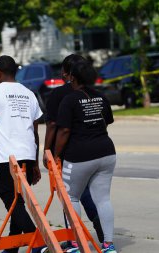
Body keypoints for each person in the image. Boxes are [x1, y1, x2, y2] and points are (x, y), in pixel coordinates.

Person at [0, 55, 42, 253]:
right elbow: (35, 132)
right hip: (28, 156)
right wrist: (35, 163)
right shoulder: (29, 94)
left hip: (7, 159)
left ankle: (38, 240)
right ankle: (12, 248)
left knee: (10, 198)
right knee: (18, 201)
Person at [54, 61, 117, 253]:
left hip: (80, 155)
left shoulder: (70, 100)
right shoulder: (101, 96)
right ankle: (108, 245)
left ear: (72, 76)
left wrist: (56, 154)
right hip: (106, 152)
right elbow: (106, 121)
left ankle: (74, 244)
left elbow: (64, 130)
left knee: (70, 197)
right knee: (103, 199)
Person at [43, 54, 104, 244]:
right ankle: (99, 223)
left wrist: (48, 152)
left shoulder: (57, 95)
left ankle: (73, 239)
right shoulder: (92, 93)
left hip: (67, 152)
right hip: (93, 149)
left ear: (65, 73)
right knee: (88, 192)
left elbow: (53, 126)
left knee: (69, 195)